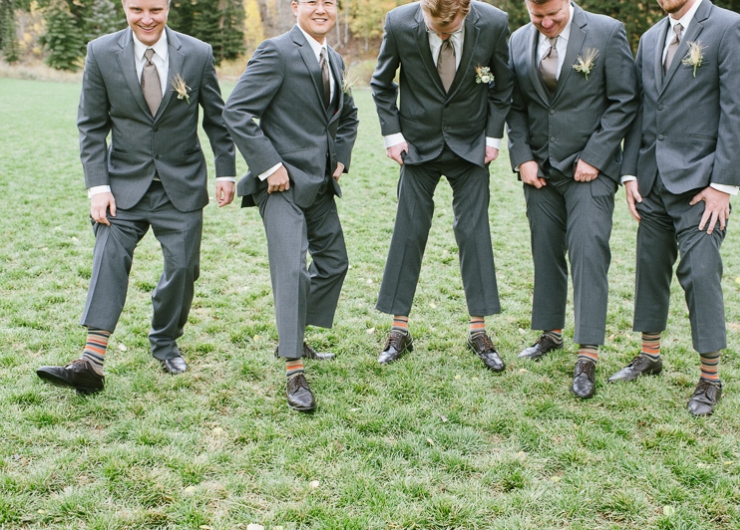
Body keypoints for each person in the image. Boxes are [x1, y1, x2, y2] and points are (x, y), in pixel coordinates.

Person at [36, 0, 236, 395]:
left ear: (168, 8)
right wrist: (97, 187)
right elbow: (91, 127)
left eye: (156, 9)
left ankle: (164, 341)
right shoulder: (100, 52)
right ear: (125, 7)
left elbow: (216, 118)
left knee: (182, 270)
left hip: (180, 184)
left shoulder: (196, 54)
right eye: (137, 8)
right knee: (108, 257)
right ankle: (91, 362)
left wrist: (226, 171)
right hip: (121, 186)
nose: (147, 18)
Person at [611, 0, 740, 416]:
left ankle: (710, 379)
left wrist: (722, 186)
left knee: (701, 274)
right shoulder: (652, 36)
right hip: (652, 181)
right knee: (649, 267)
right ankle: (649, 356)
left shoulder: (731, 28)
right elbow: (643, 110)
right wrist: (630, 173)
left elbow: (739, 109)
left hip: (702, 186)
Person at [223, 0, 358, 412]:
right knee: (290, 270)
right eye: (312, 2)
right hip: (280, 187)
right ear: (295, 7)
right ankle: (294, 370)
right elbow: (237, 111)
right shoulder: (275, 51)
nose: (322, 9)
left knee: (335, 263)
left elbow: (346, 115)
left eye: (329, 3)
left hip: (319, 186)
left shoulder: (333, 59)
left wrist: (341, 156)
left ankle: (293, 332)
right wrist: (268, 166)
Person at [370, 0, 513, 371]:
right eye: (434, 26)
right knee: (409, 230)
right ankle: (398, 330)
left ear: (466, 11)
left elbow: (503, 85)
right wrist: (391, 134)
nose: (440, 33)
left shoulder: (495, 23)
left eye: (448, 29)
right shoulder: (399, 22)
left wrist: (493, 138)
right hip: (416, 146)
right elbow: (381, 83)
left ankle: (478, 332)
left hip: (472, 147)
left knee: (474, 231)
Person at [506, 0, 637, 399]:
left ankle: (588, 354)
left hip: (590, 172)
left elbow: (624, 101)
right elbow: (515, 107)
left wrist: (595, 155)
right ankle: (551, 333)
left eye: (554, 16)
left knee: (588, 252)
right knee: (545, 252)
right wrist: (522, 157)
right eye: (536, 16)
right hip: (540, 172)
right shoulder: (517, 40)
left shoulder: (606, 32)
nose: (545, 24)